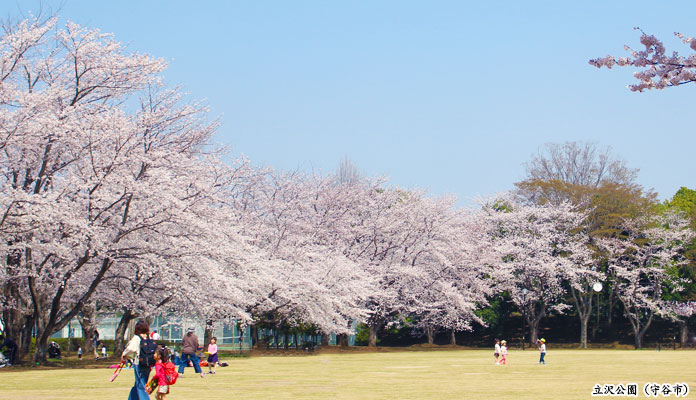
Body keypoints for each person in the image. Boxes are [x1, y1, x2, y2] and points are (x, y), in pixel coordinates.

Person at [122, 320, 153, 400]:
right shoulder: (148, 337)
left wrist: (124, 354)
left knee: (141, 386)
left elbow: (130, 349)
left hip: (139, 363)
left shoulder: (137, 338)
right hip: (148, 364)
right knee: (138, 384)